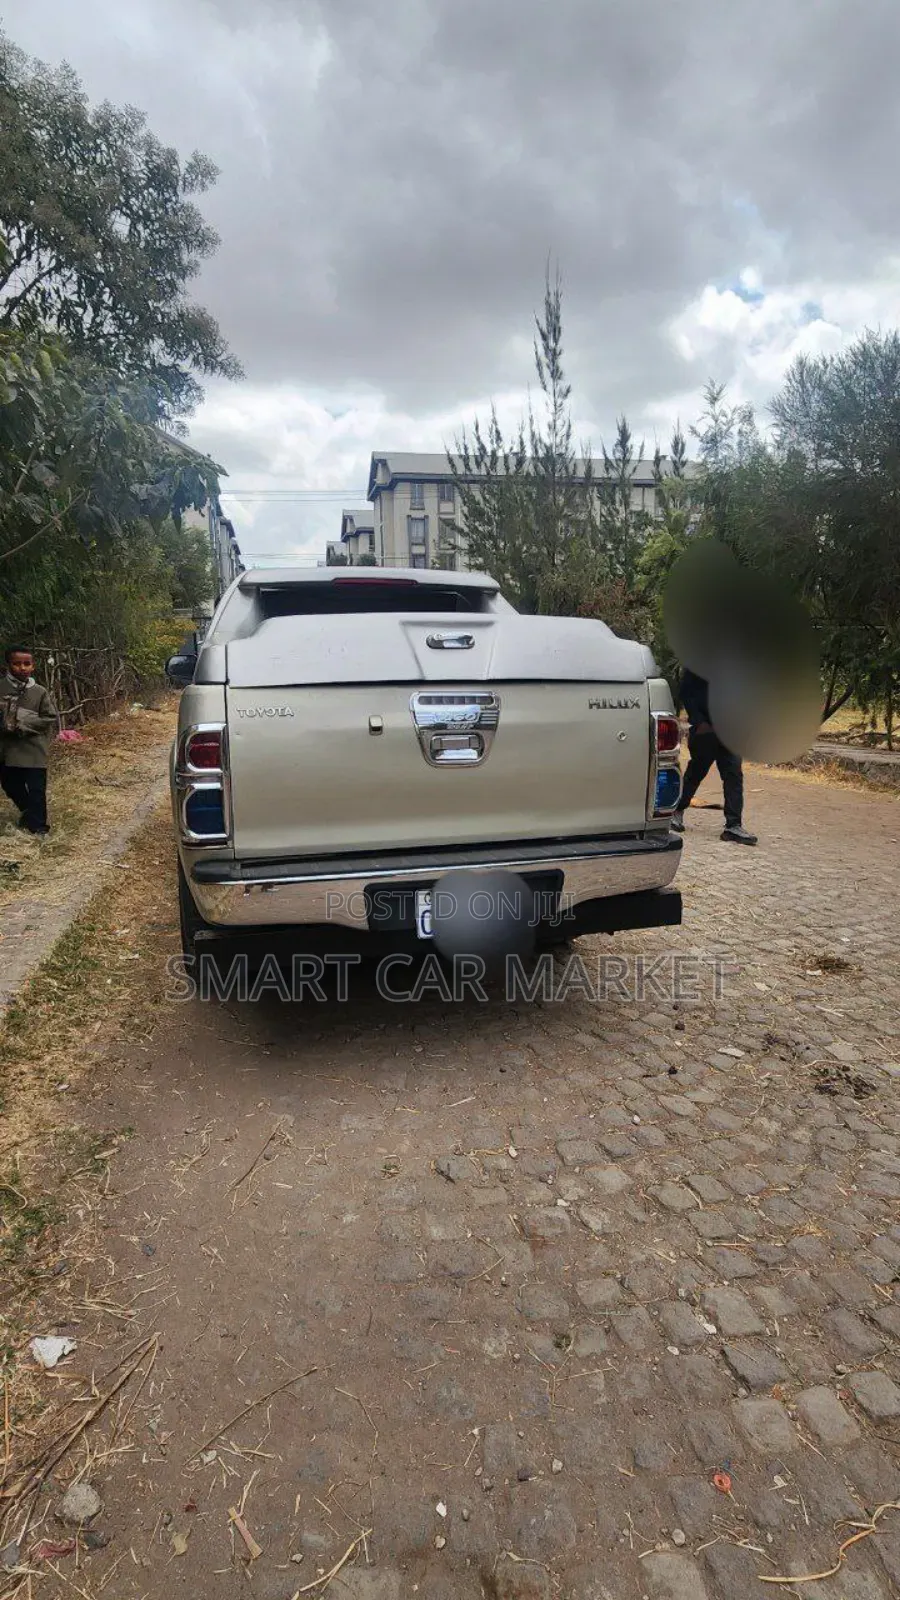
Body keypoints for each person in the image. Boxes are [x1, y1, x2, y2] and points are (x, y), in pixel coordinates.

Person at [672, 666, 757, 845]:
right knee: (696, 772)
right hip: (706, 730)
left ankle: (733, 826)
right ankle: (676, 812)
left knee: (734, 775)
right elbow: (687, 692)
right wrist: (700, 722)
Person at [1, 645, 58, 837]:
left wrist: (22, 722)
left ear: (33, 666)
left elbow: (49, 718)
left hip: (33, 749)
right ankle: (28, 813)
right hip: (7, 750)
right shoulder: (1, 688)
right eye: (17, 664)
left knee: (36, 790)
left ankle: (39, 827)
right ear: (8, 665)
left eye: (27, 664)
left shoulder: (39, 692)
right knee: (10, 785)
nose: (22, 668)